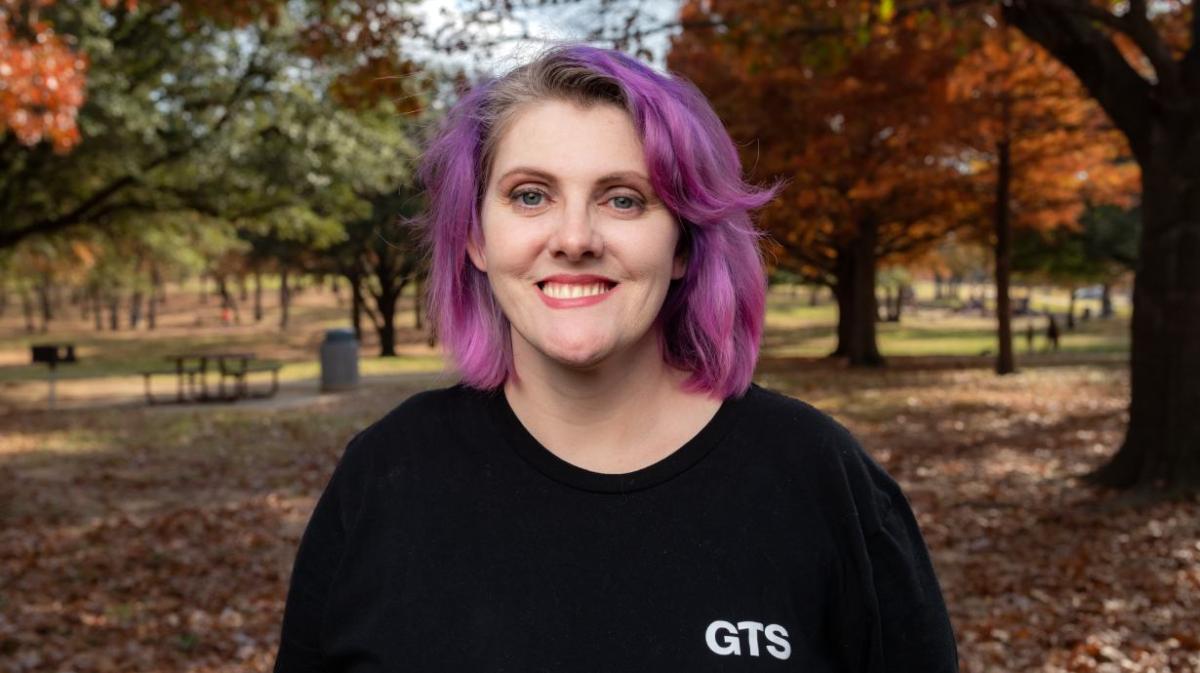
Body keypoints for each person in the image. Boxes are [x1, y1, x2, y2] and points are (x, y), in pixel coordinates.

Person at [272, 45, 958, 672]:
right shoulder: (384, 477)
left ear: (684, 243)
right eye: (530, 195)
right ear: (475, 236)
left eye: (624, 199)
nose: (574, 238)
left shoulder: (819, 478)